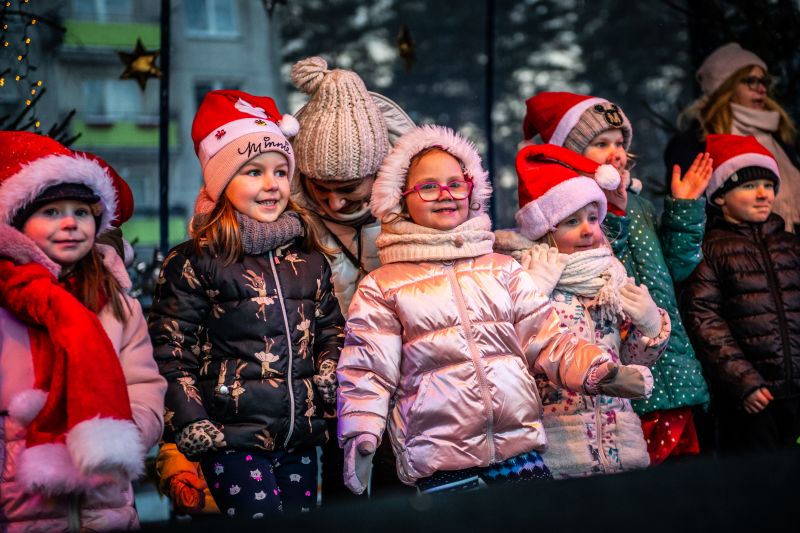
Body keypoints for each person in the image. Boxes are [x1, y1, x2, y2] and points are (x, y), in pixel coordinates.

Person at [336, 125, 653, 495]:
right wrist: (361, 432)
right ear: (399, 199)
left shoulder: (501, 268)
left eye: (456, 184)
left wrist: (598, 370)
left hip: (519, 450)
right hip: (441, 460)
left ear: (472, 191)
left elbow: (549, 339)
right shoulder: (383, 285)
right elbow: (367, 369)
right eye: (427, 186)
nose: (445, 195)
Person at [148, 90, 345, 518]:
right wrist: (193, 420)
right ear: (222, 182)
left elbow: (330, 328)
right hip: (230, 438)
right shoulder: (195, 260)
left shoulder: (309, 257)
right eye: (253, 172)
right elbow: (170, 351)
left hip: (301, 436)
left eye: (279, 172)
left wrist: (331, 369)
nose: (271, 184)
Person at [518, 91, 711, 464]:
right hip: (615, 395)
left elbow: (678, 266)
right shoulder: (566, 211)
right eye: (600, 144)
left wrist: (685, 208)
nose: (616, 152)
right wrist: (614, 213)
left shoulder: (636, 204)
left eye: (620, 142)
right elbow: (599, 267)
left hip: (669, 363)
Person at [0, 131, 166, 531]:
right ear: (18, 224)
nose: (70, 223)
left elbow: (144, 386)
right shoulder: (5, 308)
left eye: (81, 211)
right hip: (22, 508)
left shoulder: (117, 304)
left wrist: (122, 434)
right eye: (52, 212)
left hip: (106, 506)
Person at [495, 143, 669, 476]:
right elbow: (507, 356)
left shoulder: (609, 277)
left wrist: (650, 327)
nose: (588, 229)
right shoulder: (521, 277)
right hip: (560, 446)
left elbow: (629, 364)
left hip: (622, 440)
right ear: (544, 231)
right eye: (572, 221)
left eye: (592, 217)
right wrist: (531, 295)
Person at [289, 56, 415, 500]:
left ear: (379, 173)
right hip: (329, 396)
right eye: (319, 188)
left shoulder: (417, 213)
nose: (334, 203)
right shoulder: (291, 221)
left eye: (348, 190)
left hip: (407, 389)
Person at [682, 133, 800, 453]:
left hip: (796, 393)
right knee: (760, 483)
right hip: (752, 399)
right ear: (720, 196)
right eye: (749, 186)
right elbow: (703, 320)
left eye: (769, 185)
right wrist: (742, 381)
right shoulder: (710, 249)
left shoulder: (790, 245)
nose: (763, 194)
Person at [665, 42, 800, 233]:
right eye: (751, 81)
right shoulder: (695, 143)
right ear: (725, 87)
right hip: (731, 252)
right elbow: (689, 208)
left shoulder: (778, 137)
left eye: (764, 82)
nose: (761, 89)